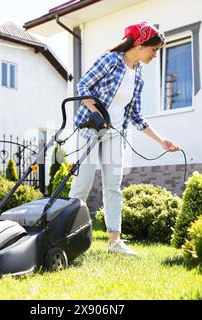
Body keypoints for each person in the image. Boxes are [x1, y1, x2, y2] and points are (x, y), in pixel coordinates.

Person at [68, 22, 180, 256]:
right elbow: (83, 86)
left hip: (115, 134)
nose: (155, 55)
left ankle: (114, 242)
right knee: (82, 185)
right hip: (89, 129)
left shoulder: (138, 74)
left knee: (113, 187)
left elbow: (136, 115)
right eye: (154, 49)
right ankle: (67, 236)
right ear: (140, 45)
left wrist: (161, 140)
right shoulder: (110, 60)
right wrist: (100, 115)